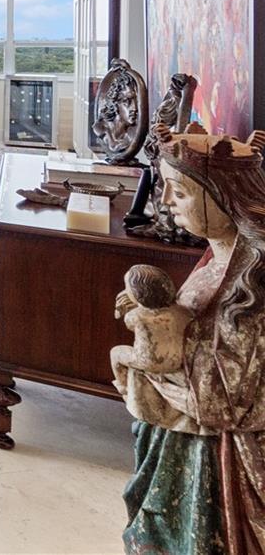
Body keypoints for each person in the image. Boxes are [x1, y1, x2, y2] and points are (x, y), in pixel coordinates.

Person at [116, 123, 265, 555]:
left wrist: (150, 350)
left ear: (223, 197)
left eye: (178, 193)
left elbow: (227, 393)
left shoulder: (253, 283)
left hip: (217, 454)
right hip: (183, 435)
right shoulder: (218, 256)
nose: (164, 202)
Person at [110, 264, 189, 387]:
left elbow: (129, 324)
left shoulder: (135, 316)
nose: (125, 291)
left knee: (115, 352)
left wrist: (121, 309)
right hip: (176, 361)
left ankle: (123, 386)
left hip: (148, 361)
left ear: (139, 292)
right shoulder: (183, 312)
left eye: (127, 288)